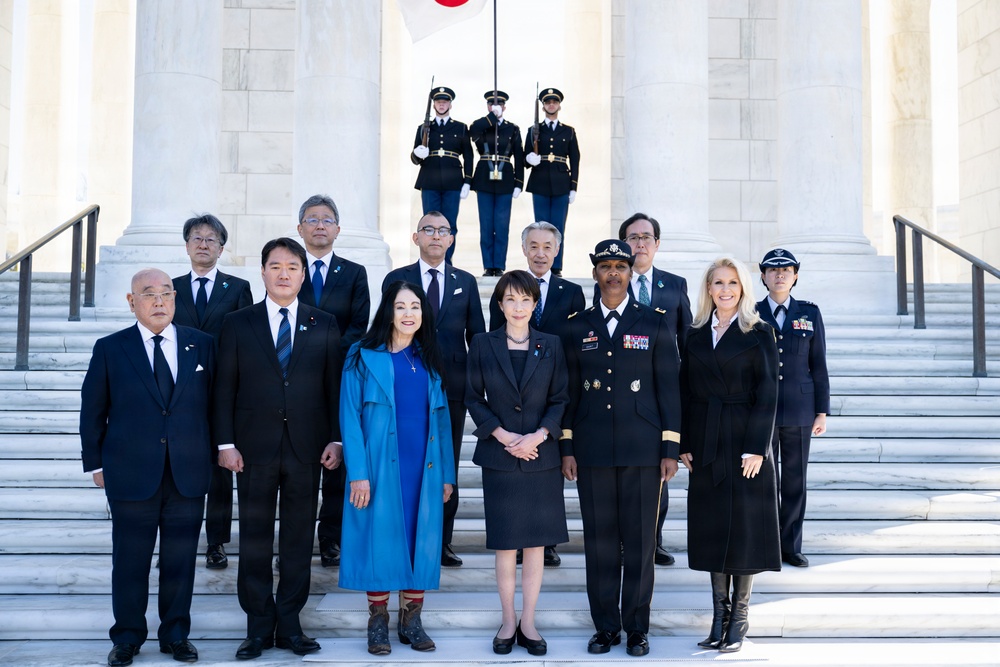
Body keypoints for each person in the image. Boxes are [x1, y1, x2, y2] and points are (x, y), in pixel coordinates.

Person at [213, 238, 344, 660]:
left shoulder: (324, 323)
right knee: (252, 540)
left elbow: (334, 389)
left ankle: (289, 624)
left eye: (292, 266)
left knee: (296, 540)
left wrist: (336, 439)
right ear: (263, 273)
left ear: (303, 274)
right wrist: (226, 443)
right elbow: (223, 389)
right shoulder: (238, 323)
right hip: (252, 450)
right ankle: (256, 628)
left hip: (307, 449)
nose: (283, 273)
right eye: (275, 266)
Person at [81, 268, 215, 667]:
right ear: (131, 301)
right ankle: (127, 637)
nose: (159, 302)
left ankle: (175, 635)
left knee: (180, 560)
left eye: (166, 294)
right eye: (149, 294)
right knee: (130, 562)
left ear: (175, 299)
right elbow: (93, 411)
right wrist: (96, 463)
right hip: (130, 472)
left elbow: (215, 405)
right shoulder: (110, 348)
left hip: (187, 472)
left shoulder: (201, 345)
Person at [560, 240, 681, 657]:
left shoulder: (655, 322)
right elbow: (570, 392)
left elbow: (669, 387)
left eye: (621, 266)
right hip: (592, 451)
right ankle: (606, 626)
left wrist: (670, 446)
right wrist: (567, 447)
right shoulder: (577, 325)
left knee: (641, 543)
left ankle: (636, 628)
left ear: (632, 273)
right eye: (606, 266)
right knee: (600, 543)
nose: (613, 273)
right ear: (595, 273)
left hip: (644, 451)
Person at [338, 281, 456, 655]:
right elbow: (349, 417)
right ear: (388, 311)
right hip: (377, 464)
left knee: (418, 539)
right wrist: (358, 472)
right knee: (380, 539)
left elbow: (442, 419)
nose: (408, 314)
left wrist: (448, 474)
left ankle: (412, 620)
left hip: (423, 463)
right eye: (401, 306)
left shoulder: (429, 357)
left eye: (416, 307)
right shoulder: (362, 355)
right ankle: (377, 624)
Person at [678, 256, 780, 653]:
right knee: (712, 527)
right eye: (717, 283)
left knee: (743, 530)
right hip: (705, 441)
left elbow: (769, 393)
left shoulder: (760, 332)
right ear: (708, 289)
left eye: (732, 283)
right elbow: (685, 391)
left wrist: (758, 447)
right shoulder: (694, 334)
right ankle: (718, 616)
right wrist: (685, 442)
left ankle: (739, 618)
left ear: (743, 288)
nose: (725, 289)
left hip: (744, 443)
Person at [466, 270, 570, 656]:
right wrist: (505, 436)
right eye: (510, 299)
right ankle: (508, 620)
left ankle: (529, 620)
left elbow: (560, 398)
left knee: (537, 546)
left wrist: (539, 435)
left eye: (525, 299)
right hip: (500, 457)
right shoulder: (482, 343)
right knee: (507, 546)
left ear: (534, 303)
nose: (518, 307)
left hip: (541, 457)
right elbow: (473, 398)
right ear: (500, 304)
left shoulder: (552, 344)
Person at [383, 212, 486, 568]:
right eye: (429, 230)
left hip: (452, 389)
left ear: (452, 239)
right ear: (416, 238)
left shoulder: (466, 281)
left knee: (445, 464)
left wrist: (478, 386)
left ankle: (442, 542)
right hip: (405, 385)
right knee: (405, 460)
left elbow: (477, 337)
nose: (436, 236)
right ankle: (402, 536)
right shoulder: (398, 279)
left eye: (443, 231)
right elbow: (385, 330)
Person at [592, 212, 692, 566]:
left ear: (657, 244)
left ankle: (654, 540)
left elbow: (686, 341)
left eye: (646, 237)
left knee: (656, 478)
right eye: (633, 237)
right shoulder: (612, 278)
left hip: (659, 388)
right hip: (620, 392)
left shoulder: (675, 284)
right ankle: (622, 542)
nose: (640, 243)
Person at [488, 221, 584, 568]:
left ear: (556, 250)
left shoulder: (571, 291)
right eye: (534, 245)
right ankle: (514, 538)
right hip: (512, 385)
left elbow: (574, 341)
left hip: (552, 386)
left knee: (547, 468)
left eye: (547, 246)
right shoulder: (507, 290)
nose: (540, 252)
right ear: (524, 248)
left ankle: (546, 540)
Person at [171, 214, 253, 571]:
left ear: (222, 247)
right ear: (187, 245)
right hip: (179, 395)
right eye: (196, 238)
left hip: (224, 394)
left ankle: (217, 542)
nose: (203, 244)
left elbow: (245, 341)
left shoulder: (236, 288)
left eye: (211, 239)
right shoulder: (169, 287)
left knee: (220, 474)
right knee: (180, 469)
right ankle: (179, 538)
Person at [295, 194, 372, 569]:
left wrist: (326, 353)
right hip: (297, 378)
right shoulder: (289, 269)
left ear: (338, 229)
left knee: (339, 464)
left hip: (343, 376)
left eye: (327, 219)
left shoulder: (355, 273)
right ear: (300, 229)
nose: (320, 225)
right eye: (312, 220)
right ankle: (296, 537)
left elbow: (359, 325)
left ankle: (331, 539)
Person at [756, 249, 829, 568]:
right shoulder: (752, 312)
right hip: (763, 411)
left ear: (796, 275)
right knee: (765, 481)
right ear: (763, 276)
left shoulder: (809, 313)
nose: (780, 274)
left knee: (796, 481)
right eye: (773, 270)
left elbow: (819, 365)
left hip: (801, 409)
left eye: (786, 269)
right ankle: (767, 544)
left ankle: (792, 546)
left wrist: (822, 411)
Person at [411, 86, 474, 263]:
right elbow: (414, 158)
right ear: (433, 105)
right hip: (429, 180)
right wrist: (418, 153)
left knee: (450, 224)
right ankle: (429, 259)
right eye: (438, 102)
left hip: (453, 182)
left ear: (450, 105)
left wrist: (468, 181)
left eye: (444, 101)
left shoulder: (460, 128)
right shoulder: (424, 128)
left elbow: (468, 155)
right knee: (429, 223)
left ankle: (446, 261)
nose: (441, 104)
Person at [523, 88, 580, 276]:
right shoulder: (534, 130)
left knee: (557, 228)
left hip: (562, 183)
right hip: (539, 182)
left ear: (559, 105)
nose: (551, 105)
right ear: (543, 106)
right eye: (548, 102)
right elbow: (524, 158)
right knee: (540, 227)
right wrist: (529, 158)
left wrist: (573, 186)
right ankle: (538, 265)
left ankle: (555, 268)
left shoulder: (568, 131)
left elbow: (575, 159)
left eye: (554, 102)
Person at [469, 89, 524, 276]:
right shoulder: (482, 125)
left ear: (505, 107)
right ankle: (488, 265)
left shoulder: (512, 128)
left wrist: (519, 182)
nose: (495, 107)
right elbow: (472, 131)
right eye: (492, 104)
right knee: (486, 225)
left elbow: (519, 156)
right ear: (487, 107)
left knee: (501, 225)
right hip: (484, 178)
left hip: (505, 179)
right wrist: (490, 118)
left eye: (499, 105)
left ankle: (499, 265)